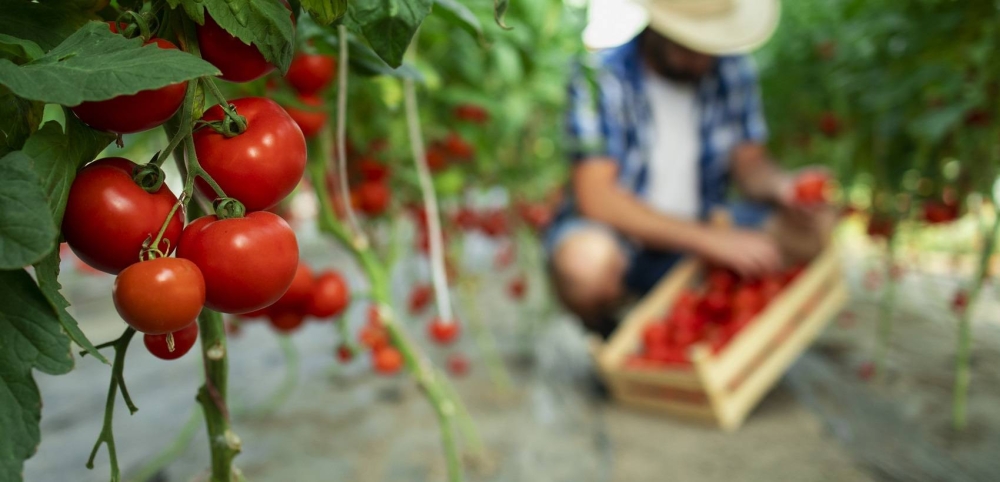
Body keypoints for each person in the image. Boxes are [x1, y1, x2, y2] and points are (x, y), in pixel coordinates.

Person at [547, 0, 833, 338]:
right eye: (689, 43)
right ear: (658, 27)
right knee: (584, 263)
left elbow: (750, 165)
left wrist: (782, 186)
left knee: (817, 226)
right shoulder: (600, 77)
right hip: (628, 244)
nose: (702, 56)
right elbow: (597, 197)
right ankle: (614, 331)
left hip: (704, 228)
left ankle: (720, 324)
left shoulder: (731, 71)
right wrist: (710, 240)